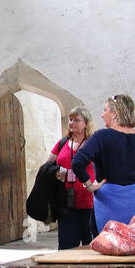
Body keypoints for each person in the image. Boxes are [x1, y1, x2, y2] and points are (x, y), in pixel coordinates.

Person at [71, 94, 135, 232]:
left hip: (109, 201)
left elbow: (77, 162)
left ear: (115, 113)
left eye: (105, 110)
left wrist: (89, 185)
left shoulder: (101, 137)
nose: (102, 115)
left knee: (110, 244)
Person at [46, 107, 97, 250]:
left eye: (77, 120)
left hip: (89, 202)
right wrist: (56, 172)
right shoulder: (62, 143)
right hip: (67, 201)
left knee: (91, 245)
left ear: (86, 123)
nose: (72, 123)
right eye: (70, 120)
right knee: (66, 246)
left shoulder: (93, 143)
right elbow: (48, 166)